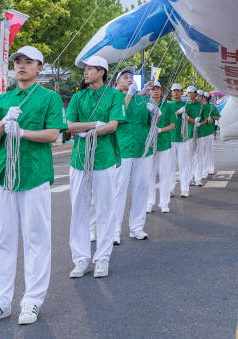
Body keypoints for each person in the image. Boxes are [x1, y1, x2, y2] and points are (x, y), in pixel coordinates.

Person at [0, 45, 66, 327]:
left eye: (29, 62)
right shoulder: (2, 100)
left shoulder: (49, 98)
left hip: (34, 174)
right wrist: (4, 123)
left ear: (40, 67)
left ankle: (32, 300)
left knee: (36, 238)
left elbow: (53, 134)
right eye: (18, 62)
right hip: (3, 175)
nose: (22, 66)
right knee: (0, 240)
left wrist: (22, 131)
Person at [66, 55, 126, 280]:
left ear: (102, 71)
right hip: (79, 159)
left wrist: (86, 131)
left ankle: (102, 258)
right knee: (79, 211)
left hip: (104, 158)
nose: (85, 72)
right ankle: (80, 258)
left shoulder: (113, 96)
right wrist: (92, 126)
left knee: (104, 210)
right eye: (85, 69)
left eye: (90, 69)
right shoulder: (78, 97)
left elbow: (112, 126)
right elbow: (70, 125)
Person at [112, 73, 158, 242]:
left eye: (131, 77)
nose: (129, 79)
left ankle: (137, 227)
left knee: (141, 187)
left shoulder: (142, 100)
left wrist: (155, 113)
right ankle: (114, 231)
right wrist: (130, 94)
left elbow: (151, 122)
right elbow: (118, 114)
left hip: (142, 148)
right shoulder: (114, 97)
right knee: (118, 190)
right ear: (117, 82)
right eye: (125, 77)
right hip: (122, 148)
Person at [148, 81, 177, 213]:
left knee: (164, 173)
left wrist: (160, 130)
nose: (155, 91)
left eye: (158, 89)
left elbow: (172, 125)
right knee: (150, 175)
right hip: (148, 146)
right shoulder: (145, 106)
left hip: (164, 144)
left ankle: (164, 202)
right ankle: (150, 202)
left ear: (161, 91)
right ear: (149, 91)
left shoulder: (168, 106)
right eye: (153, 89)